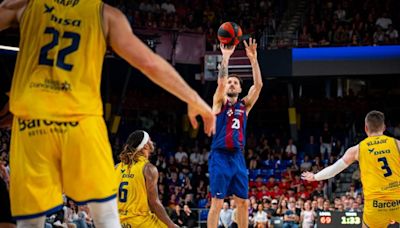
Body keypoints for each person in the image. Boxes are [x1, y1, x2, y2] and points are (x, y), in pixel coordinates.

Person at [0, 0, 215, 227]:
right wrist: (193, 98)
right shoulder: (106, 15)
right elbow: (149, 63)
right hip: (81, 120)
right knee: (106, 217)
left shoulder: (24, 5)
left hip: (33, 118)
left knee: (30, 222)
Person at [302, 110, 400, 227]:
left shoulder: (358, 149)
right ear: (384, 127)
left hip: (375, 205)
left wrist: (314, 176)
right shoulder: (397, 144)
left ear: (365, 128)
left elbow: (334, 170)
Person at [207, 38, 263, 228]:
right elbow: (221, 83)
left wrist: (253, 59)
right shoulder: (219, 103)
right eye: (229, 81)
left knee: (243, 202)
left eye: (235, 83)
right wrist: (226, 57)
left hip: (237, 157)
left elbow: (258, 86)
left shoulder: (244, 106)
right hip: (220, 156)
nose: (231, 84)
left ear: (240, 88)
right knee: (217, 203)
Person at [116, 130, 178, 227]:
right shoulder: (149, 169)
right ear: (145, 146)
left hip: (118, 222)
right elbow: (154, 203)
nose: (152, 142)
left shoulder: (116, 168)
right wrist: (172, 225)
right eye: (150, 140)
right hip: (140, 222)